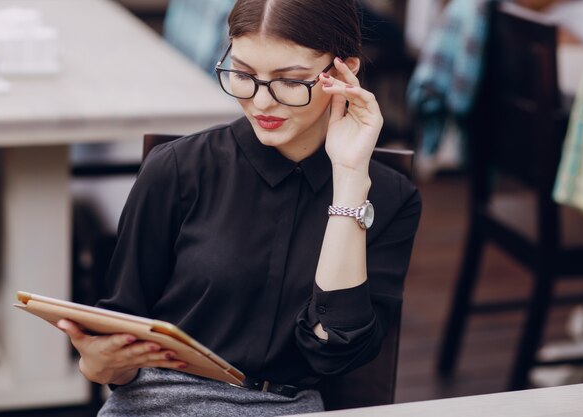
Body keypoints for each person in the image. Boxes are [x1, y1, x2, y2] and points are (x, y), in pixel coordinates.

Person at [58, 0, 422, 415]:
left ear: (344, 72)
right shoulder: (178, 169)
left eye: (291, 81)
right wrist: (101, 362)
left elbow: (334, 350)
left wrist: (350, 178)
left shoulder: (391, 198)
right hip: (159, 400)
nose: (261, 102)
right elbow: (120, 328)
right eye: (243, 74)